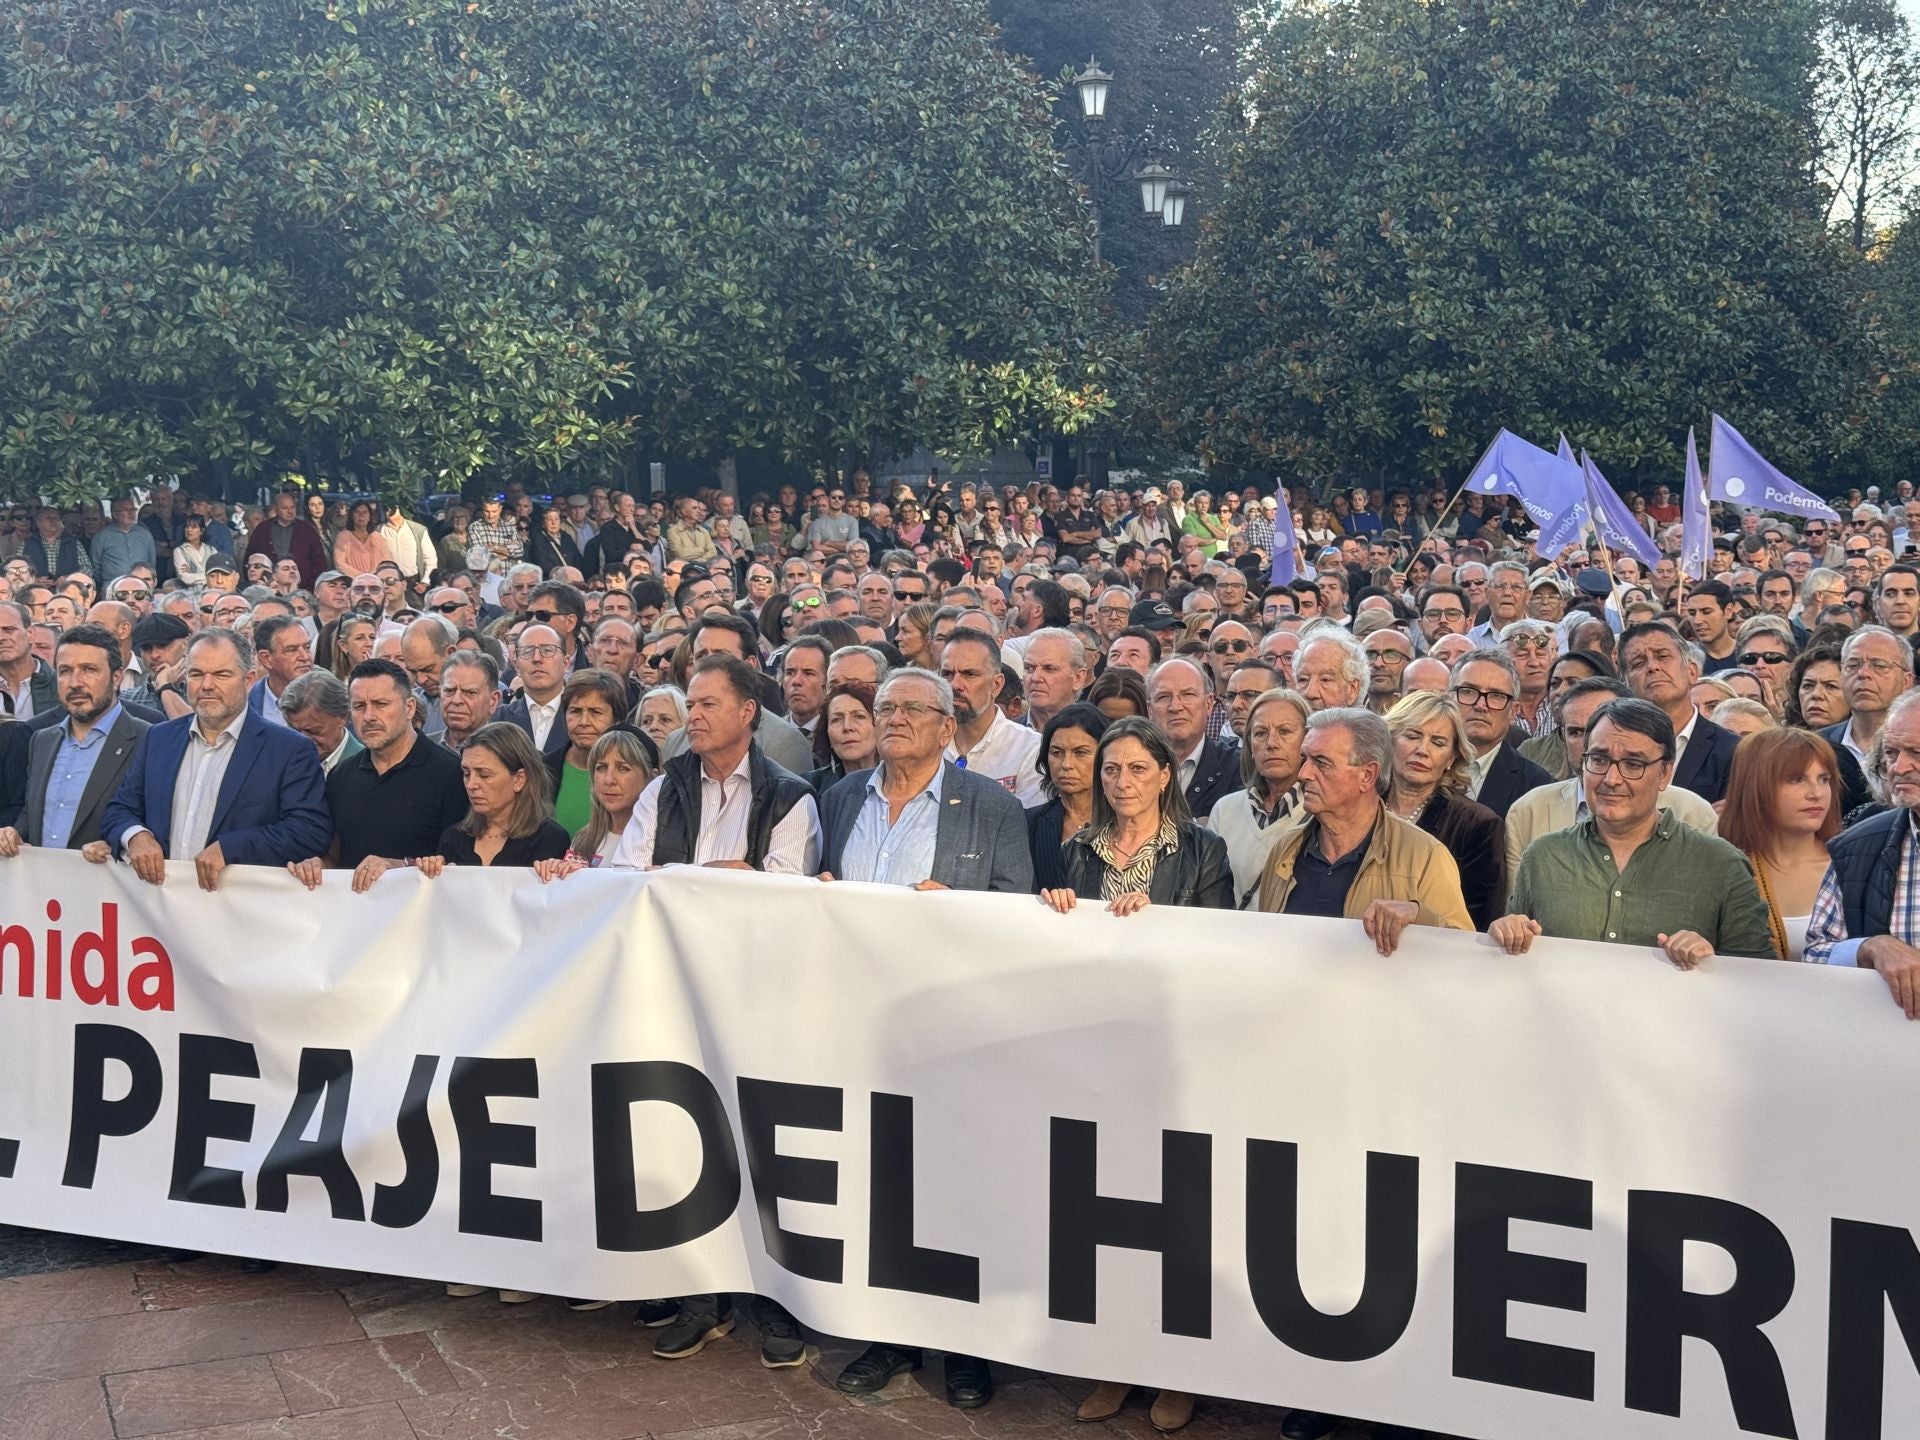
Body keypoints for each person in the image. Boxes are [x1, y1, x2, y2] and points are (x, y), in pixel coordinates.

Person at [1037, 714, 1232, 1434]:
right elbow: (1062, 952)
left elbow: (1223, 944)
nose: (1122, 782)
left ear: (1165, 775)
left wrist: (1161, 920)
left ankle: (1178, 1371)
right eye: (1111, 770)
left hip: (1175, 1052)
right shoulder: (1077, 850)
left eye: (1137, 769)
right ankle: (1117, 1360)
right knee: (1108, 1210)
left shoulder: (1203, 849)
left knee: (1177, 1214)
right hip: (1099, 1055)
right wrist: (1058, 910)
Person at [1493, 698, 1774, 964]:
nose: (1612, 779)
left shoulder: (1721, 864)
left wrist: (1713, 962)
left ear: (1664, 773)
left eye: (1633, 764)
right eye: (1599, 760)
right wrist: (1506, 933)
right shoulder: (1543, 857)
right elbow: (1515, 963)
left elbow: (1756, 976)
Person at [97, 628, 332, 890]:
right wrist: (135, 836)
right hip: (159, 905)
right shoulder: (160, 738)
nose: (206, 685)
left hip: (238, 904)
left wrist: (231, 848)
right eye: (196, 674)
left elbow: (309, 830)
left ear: (248, 680)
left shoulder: (288, 749)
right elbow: (120, 808)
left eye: (221, 674)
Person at [1255, 707, 1473, 941]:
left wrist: (1418, 916)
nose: (1304, 774)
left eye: (1321, 763)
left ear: (1367, 775)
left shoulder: (1425, 856)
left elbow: (1462, 948)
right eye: (1305, 759)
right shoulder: (1285, 849)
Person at [612, 655, 820, 875]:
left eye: (708, 705)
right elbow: (629, 878)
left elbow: (783, 889)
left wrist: (667, 873)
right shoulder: (659, 791)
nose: (693, 716)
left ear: (747, 712)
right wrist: (719, 872)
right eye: (690, 706)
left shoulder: (790, 798)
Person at [1503, 677, 1720, 876]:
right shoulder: (1528, 812)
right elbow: (1517, 902)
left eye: (1604, 727)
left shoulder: (1693, 813)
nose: (1590, 742)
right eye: (1576, 732)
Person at [286, 658, 469, 889]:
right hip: (353, 907)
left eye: (380, 704)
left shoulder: (450, 773)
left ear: (409, 708)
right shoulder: (341, 776)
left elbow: (458, 865)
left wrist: (400, 866)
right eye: (359, 706)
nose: (369, 716)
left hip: (421, 908)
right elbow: (335, 856)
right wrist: (317, 865)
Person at [0, 624, 150, 856]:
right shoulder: (42, 740)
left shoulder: (147, 739)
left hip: (106, 878)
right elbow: (32, 814)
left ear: (117, 677)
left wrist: (120, 844)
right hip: (42, 878)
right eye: (65, 671)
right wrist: (15, 834)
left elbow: (157, 822)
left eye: (89, 669)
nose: (75, 682)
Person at [1380, 691, 1508, 930]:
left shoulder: (1479, 825)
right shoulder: (1361, 806)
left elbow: (1479, 923)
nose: (1422, 750)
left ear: (1451, 758)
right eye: (1412, 736)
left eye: (1438, 743)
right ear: (1389, 741)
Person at [1717, 728, 1841, 961]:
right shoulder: (1723, 868)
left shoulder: (1852, 866)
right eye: (1796, 779)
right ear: (1755, 785)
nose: (1816, 793)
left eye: (1824, 779)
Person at [1617, 622, 1740, 803]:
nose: (1652, 667)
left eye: (1663, 656)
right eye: (1638, 663)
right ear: (1626, 684)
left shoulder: (1732, 750)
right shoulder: (1613, 748)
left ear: (1692, 672)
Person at [1206, 686, 1308, 904]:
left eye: (1284, 732)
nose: (1271, 744)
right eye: (1260, 733)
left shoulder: (1321, 814)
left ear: (1306, 741)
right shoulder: (1225, 810)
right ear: (1250, 746)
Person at [427, 722, 572, 868]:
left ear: (519, 779)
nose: (471, 785)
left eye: (484, 775)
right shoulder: (453, 838)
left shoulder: (551, 839)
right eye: (466, 773)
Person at [938, 627, 1043, 805]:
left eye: (969, 674)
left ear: (996, 685)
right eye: (947, 674)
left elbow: (1025, 819)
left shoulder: (1029, 749)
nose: (955, 685)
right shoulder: (924, 743)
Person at [536, 727, 658, 872]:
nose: (608, 779)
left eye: (623, 768)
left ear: (652, 778)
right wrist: (556, 871)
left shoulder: (662, 843)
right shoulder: (584, 840)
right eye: (601, 768)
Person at [1448, 649, 1552, 818]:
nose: (1481, 705)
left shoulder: (1536, 786)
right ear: (1448, 699)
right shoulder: (1416, 760)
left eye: (1496, 696)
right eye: (1468, 691)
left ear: (1513, 711)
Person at [1027, 702, 1108, 893]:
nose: (1066, 764)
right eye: (1056, 753)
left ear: (1105, 756)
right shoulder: (1029, 823)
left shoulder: (1124, 821)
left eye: (1080, 753)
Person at [1146, 657, 1240, 820]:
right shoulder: (1132, 769)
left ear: (1208, 704)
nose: (1175, 706)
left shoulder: (1237, 768)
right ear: (1150, 710)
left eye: (1188, 695)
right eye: (1163, 697)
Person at [548, 668, 630, 836]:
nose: (584, 722)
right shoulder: (543, 770)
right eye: (575, 711)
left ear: (617, 719)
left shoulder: (634, 775)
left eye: (595, 712)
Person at [499, 623, 571, 760]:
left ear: (566, 662)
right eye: (527, 652)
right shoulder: (499, 719)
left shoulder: (582, 718)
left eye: (547, 650)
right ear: (516, 665)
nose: (537, 659)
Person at [279, 668, 364, 774]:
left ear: (343, 717)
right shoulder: (282, 765)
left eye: (314, 731)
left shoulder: (369, 769)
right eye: (294, 731)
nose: (303, 740)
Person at [805, 681, 878, 796]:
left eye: (859, 716)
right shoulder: (809, 787)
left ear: (878, 726)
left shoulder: (901, 783)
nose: (847, 727)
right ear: (827, 734)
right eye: (836, 719)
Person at [247, 613, 314, 727]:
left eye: (307, 647)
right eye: (292, 650)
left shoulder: (332, 696)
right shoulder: (246, 703)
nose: (305, 657)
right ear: (266, 659)